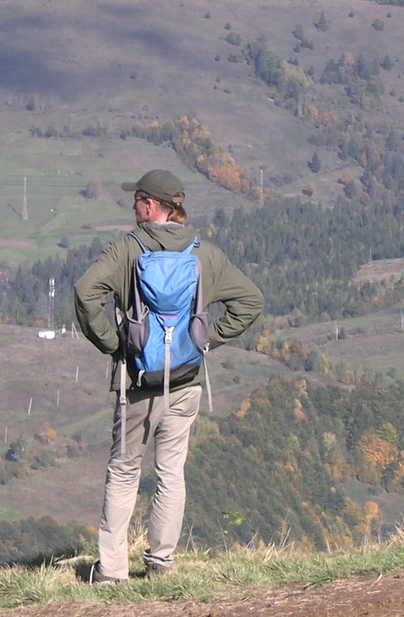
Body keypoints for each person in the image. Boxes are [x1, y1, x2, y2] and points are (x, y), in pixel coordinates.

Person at [74, 169, 263, 584]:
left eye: (137, 198)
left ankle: (112, 571)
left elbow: (86, 292)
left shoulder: (126, 250)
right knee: (170, 472)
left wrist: (112, 343)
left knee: (124, 471)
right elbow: (251, 301)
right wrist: (206, 339)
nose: (133, 204)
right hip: (186, 379)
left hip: (138, 383)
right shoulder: (203, 255)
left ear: (152, 204)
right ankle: (160, 564)